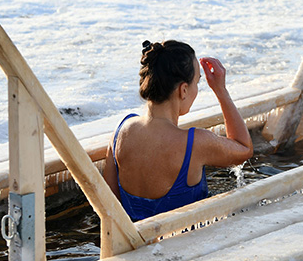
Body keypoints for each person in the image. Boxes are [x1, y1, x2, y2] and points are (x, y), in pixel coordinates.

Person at [103, 40, 254, 221]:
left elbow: (110, 206)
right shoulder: (195, 142)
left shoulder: (121, 131)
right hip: (188, 245)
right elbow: (244, 148)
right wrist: (220, 90)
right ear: (183, 90)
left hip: (134, 246)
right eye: (197, 82)